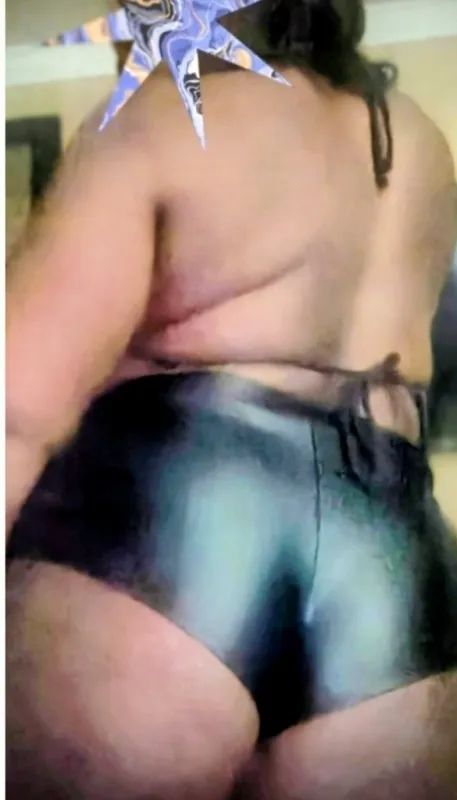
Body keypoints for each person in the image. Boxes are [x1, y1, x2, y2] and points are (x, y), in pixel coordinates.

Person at [6, 1, 457, 798]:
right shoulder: (414, 138)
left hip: (174, 523)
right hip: (387, 552)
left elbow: (18, 407)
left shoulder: (161, 123)